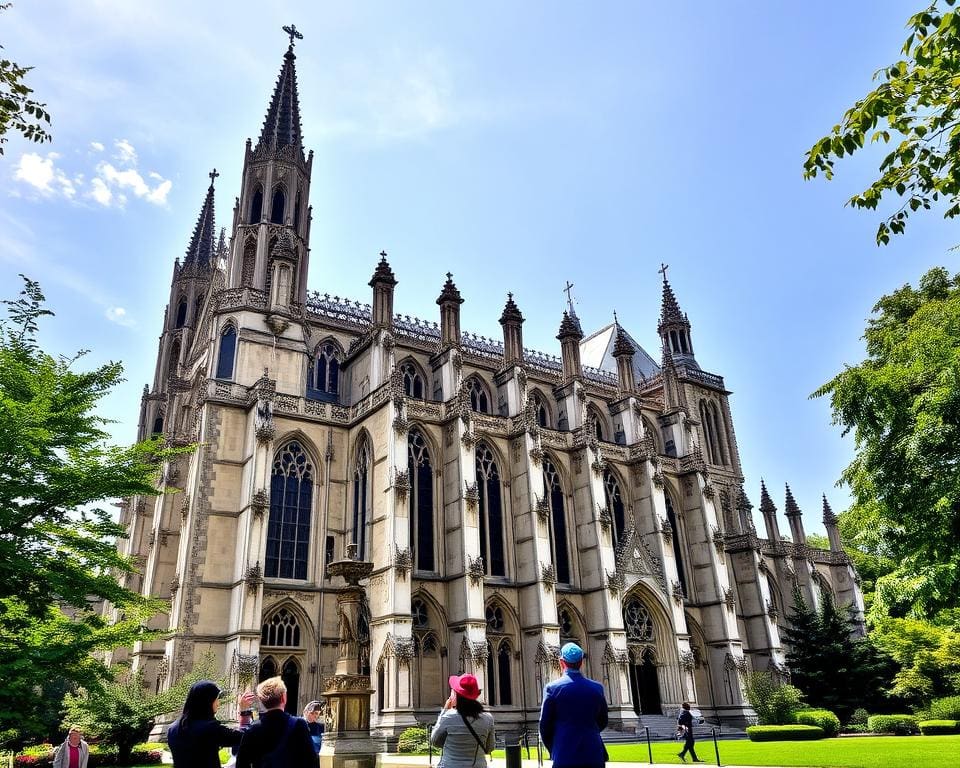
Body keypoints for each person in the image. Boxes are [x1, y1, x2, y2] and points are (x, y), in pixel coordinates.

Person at [538, 642, 608, 768]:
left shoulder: (552, 689)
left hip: (564, 754)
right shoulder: (597, 688)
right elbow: (603, 721)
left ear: (561, 662)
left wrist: (555, 749)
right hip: (594, 753)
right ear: (581, 662)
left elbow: (544, 726)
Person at [167, 680, 256, 768]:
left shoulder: (172, 729)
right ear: (207, 701)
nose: (218, 703)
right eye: (216, 699)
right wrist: (244, 711)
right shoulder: (209, 729)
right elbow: (245, 738)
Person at [235, 676, 317, 768]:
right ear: (284, 698)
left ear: (261, 701)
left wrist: (243, 713)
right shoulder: (299, 724)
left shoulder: (253, 730)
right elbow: (311, 761)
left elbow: (241, 763)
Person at [430, 673, 496, 768]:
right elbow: (489, 748)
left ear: (456, 695)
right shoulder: (487, 718)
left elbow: (435, 742)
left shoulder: (448, 717)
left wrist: (444, 712)